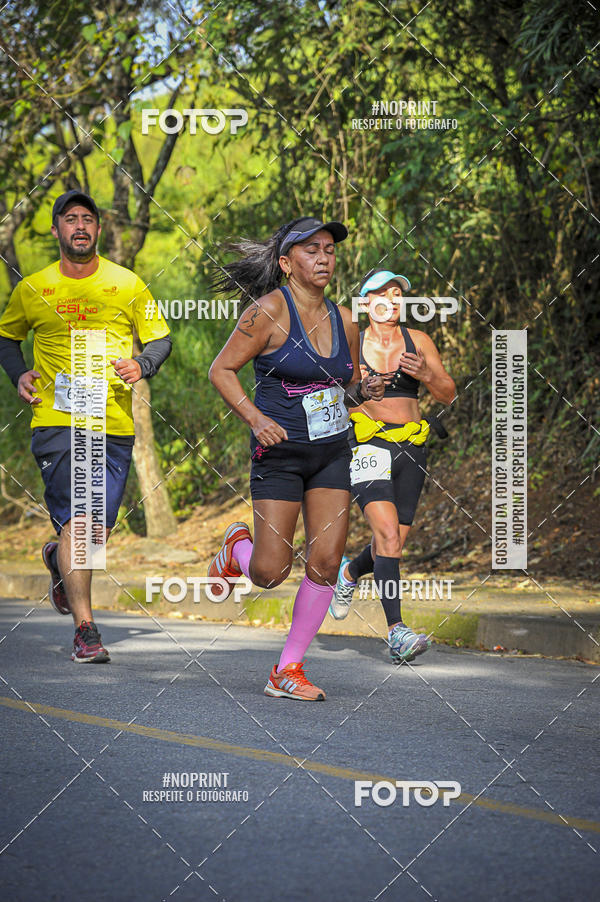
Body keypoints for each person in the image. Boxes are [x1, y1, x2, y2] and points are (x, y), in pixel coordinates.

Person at [208, 216, 383, 701]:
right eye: (311, 250)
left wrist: (362, 390)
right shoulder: (266, 312)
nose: (324, 257)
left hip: (331, 453)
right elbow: (220, 370)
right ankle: (236, 550)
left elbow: (343, 388)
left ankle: (287, 669)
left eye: (329, 249)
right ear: (287, 264)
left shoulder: (346, 318)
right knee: (269, 572)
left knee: (326, 561)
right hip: (279, 454)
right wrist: (253, 418)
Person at [0, 189, 171, 662]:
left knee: (94, 533)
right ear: (55, 230)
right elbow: (6, 338)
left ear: (98, 229)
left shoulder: (128, 283)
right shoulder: (32, 287)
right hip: (57, 420)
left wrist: (143, 365)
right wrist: (19, 374)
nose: (80, 226)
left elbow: (160, 338)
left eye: (88, 219)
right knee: (78, 520)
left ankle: (58, 558)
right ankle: (86, 630)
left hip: (112, 423)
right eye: (70, 219)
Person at [329, 269, 456, 664]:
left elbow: (448, 393)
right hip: (367, 443)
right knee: (385, 533)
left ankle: (349, 573)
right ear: (365, 303)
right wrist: (361, 391)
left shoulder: (417, 341)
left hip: (412, 446)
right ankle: (397, 632)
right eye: (382, 294)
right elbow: (332, 397)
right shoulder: (353, 341)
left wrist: (427, 373)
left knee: (393, 543)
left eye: (397, 294)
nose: (392, 301)